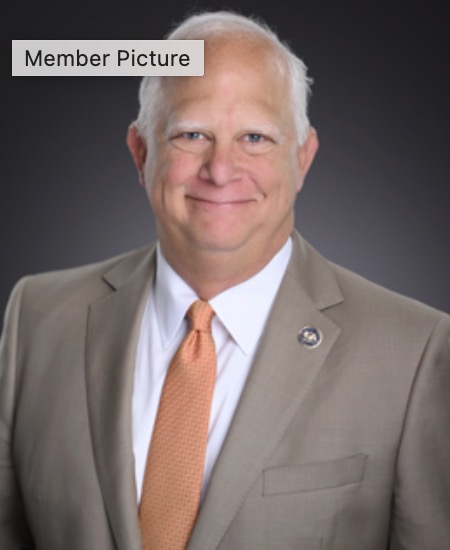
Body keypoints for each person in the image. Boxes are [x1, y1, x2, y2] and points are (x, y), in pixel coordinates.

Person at [1, 10, 449, 550]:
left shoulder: (414, 353)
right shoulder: (37, 319)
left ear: (302, 159)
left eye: (255, 138)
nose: (220, 169)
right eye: (192, 134)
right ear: (141, 153)